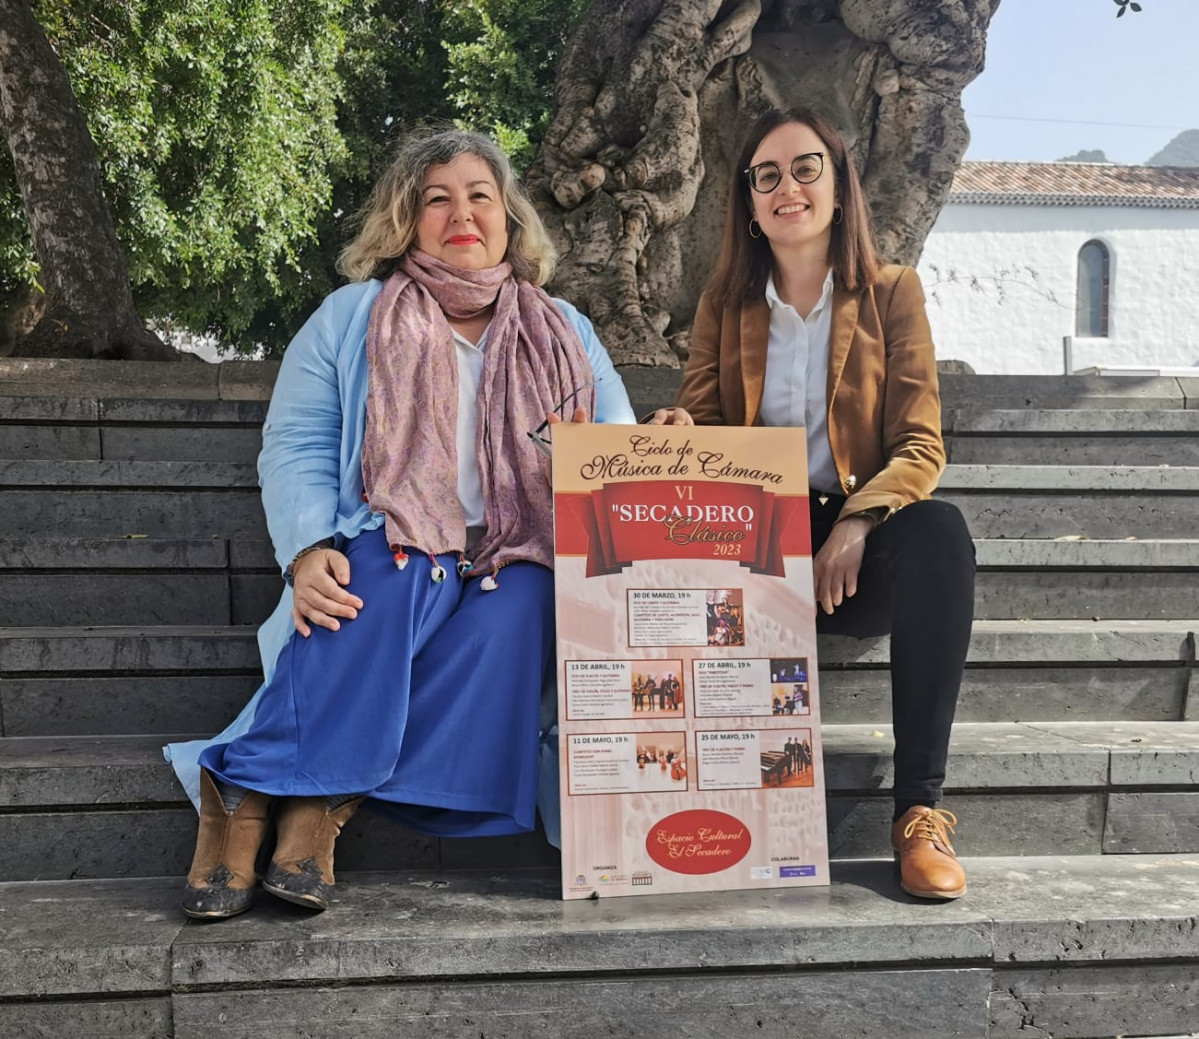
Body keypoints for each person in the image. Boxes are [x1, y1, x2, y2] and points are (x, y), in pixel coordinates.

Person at [165, 129, 636, 919]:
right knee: (386, 569)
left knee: (523, 606)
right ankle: (243, 790)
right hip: (396, 535)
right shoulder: (355, 315)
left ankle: (321, 797)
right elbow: (298, 440)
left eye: (479, 194)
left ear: (509, 218)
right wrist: (308, 546)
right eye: (436, 197)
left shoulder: (566, 331)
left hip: (511, 551)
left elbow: (613, 450)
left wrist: (657, 435)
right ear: (407, 219)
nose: (461, 212)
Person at [655, 107, 975, 900]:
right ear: (749, 204)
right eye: (766, 175)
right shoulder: (723, 306)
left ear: (837, 188)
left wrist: (860, 520)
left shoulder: (891, 292)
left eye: (804, 169)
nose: (785, 187)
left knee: (941, 534)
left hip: (854, 551)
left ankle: (918, 813)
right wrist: (676, 432)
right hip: (756, 544)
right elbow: (707, 430)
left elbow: (920, 445)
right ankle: (684, 804)